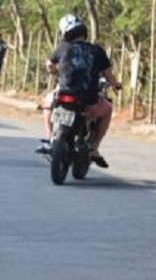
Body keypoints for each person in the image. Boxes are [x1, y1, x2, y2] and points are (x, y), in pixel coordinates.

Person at [35, 14, 121, 166]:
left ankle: (49, 139)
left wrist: (56, 70)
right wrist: (116, 85)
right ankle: (94, 148)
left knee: (47, 105)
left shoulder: (62, 48)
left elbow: (49, 65)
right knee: (107, 110)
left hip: (63, 96)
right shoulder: (97, 51)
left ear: (65, 33)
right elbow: (108, 75)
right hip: (88, 100)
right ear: (84, 32)